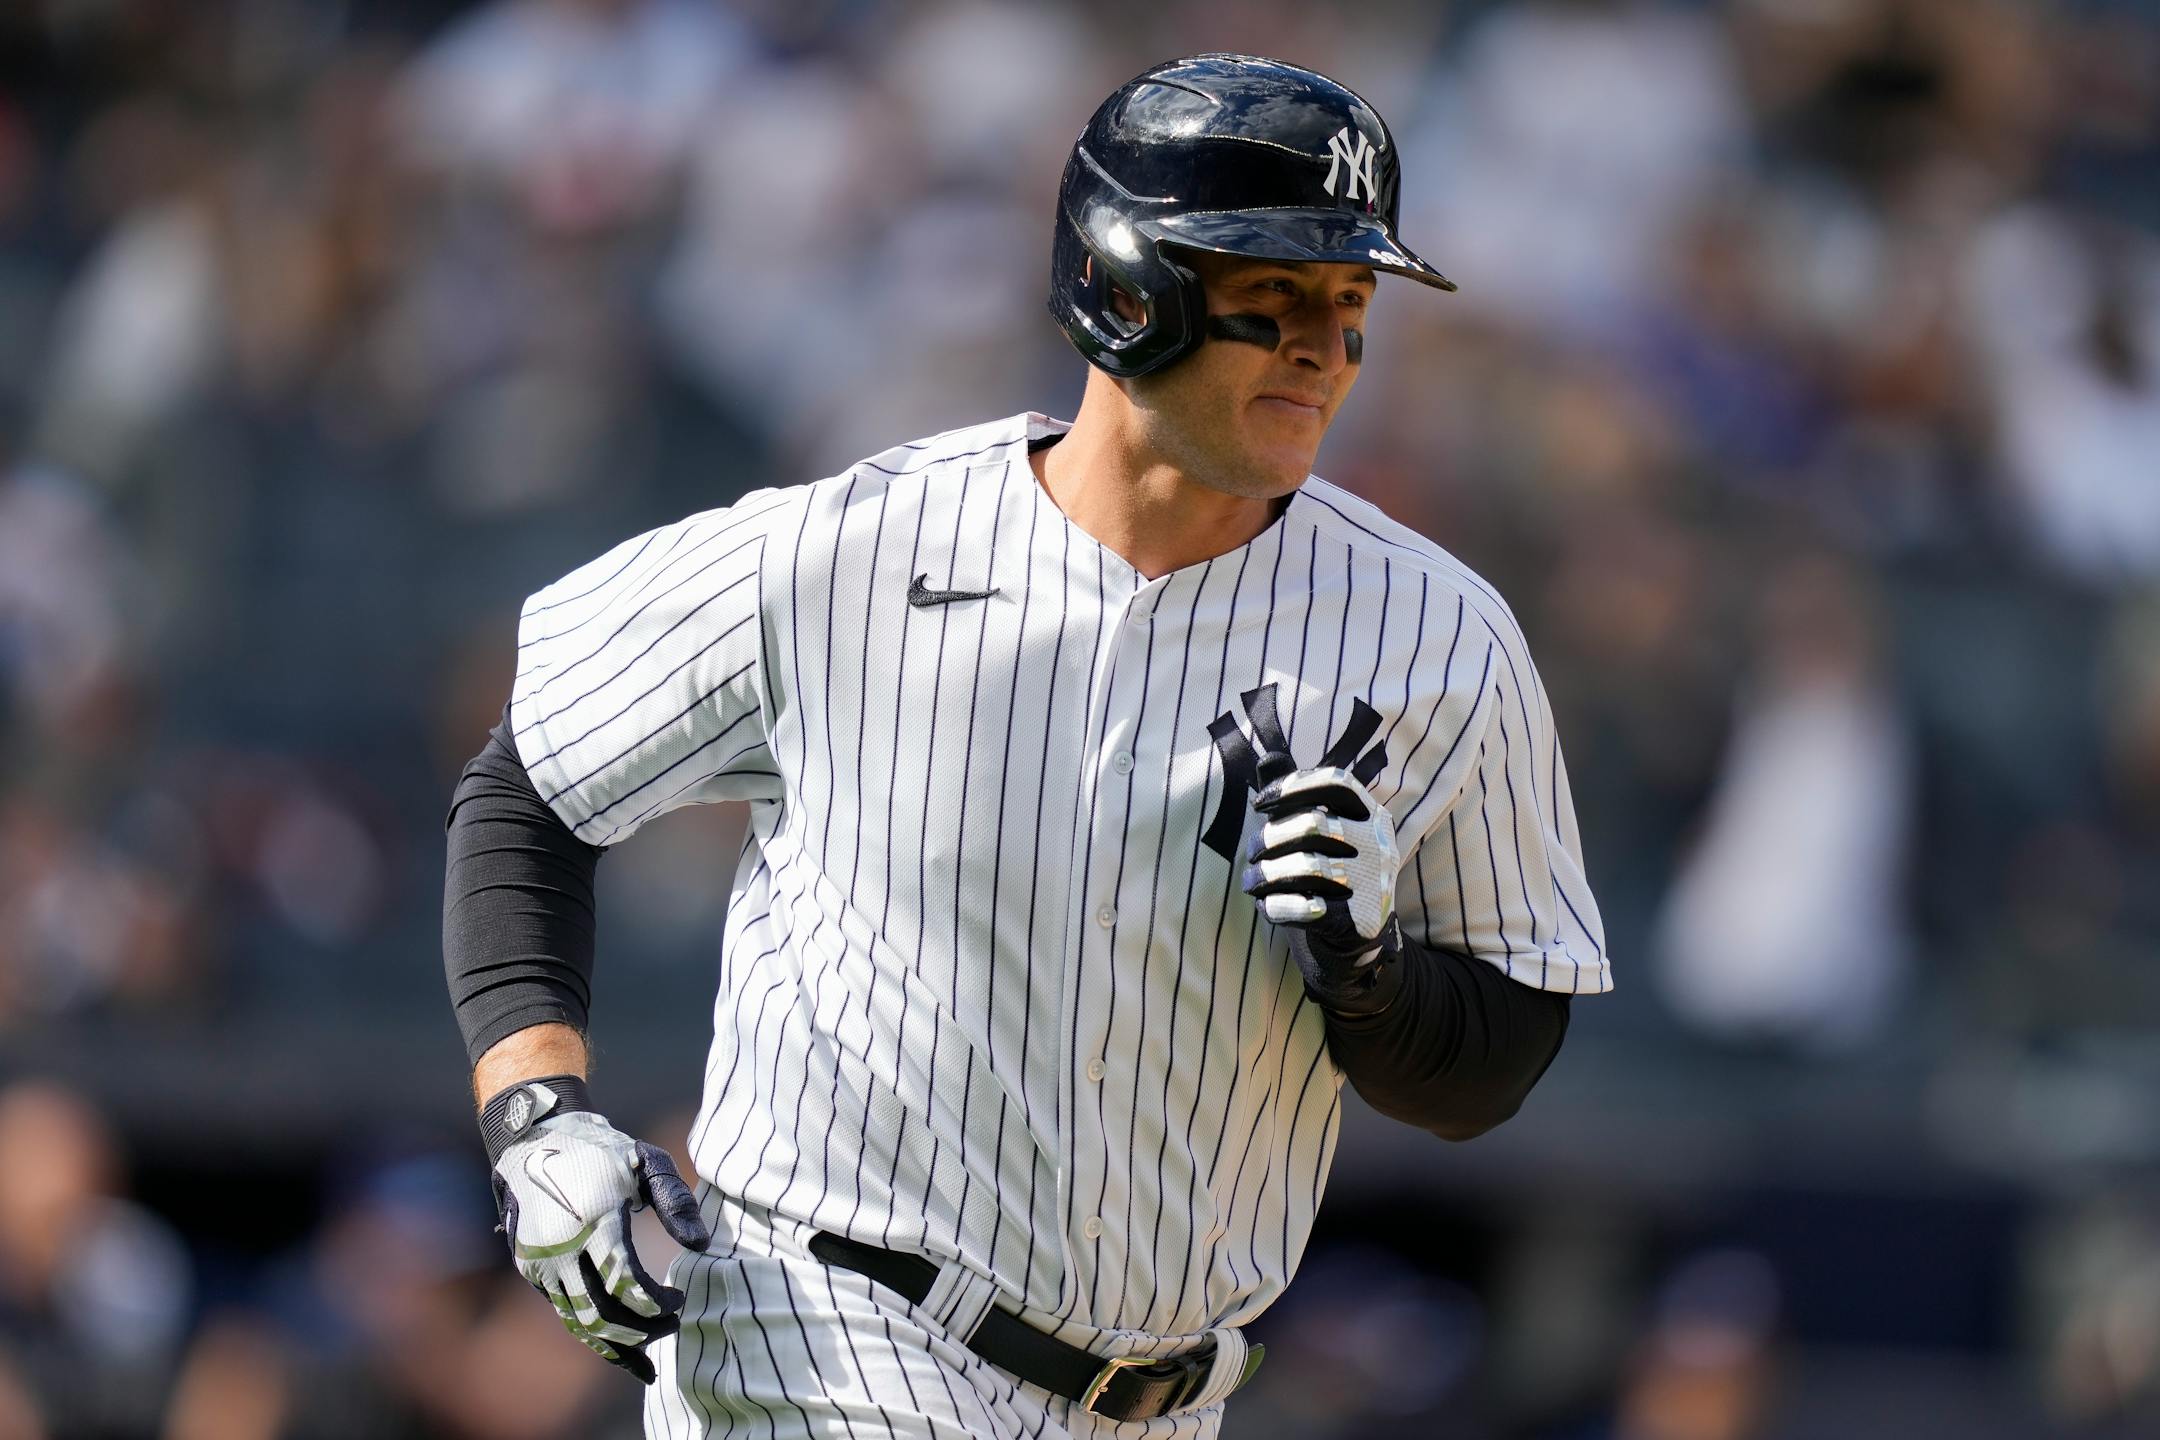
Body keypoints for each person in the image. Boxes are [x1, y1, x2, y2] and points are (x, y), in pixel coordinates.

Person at [443, 52, 1609, 1439]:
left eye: (1351, 305)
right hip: (822, 1331)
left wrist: (1372, 980)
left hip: (1168, 1395)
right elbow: (530, 785)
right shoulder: (852, 552)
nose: (1323, 348)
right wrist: (536, 1113)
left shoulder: (1440, 638)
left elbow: (1493, 1066)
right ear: (1126, 287)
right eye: (1276, 294)